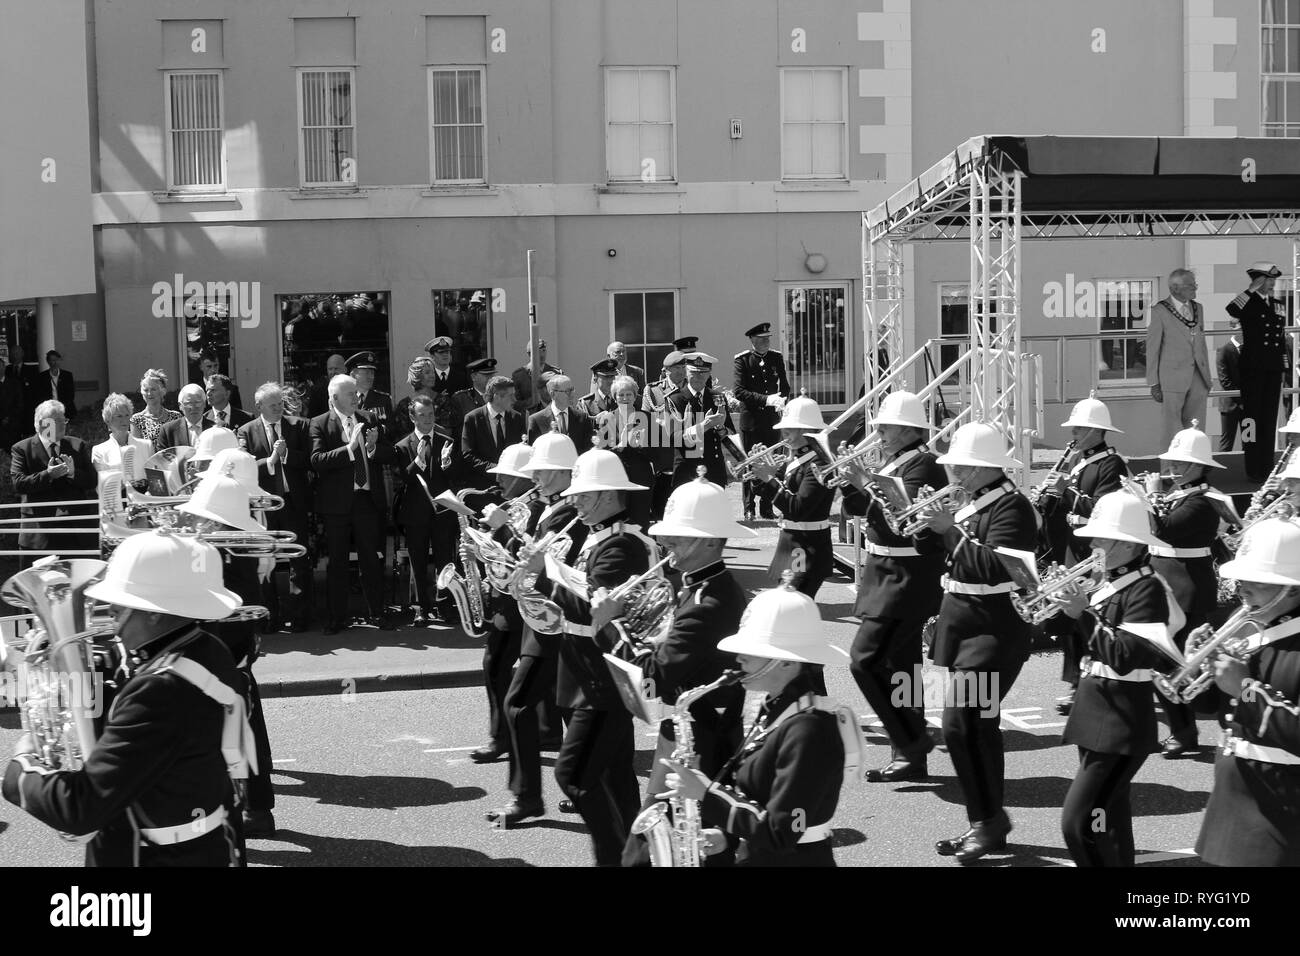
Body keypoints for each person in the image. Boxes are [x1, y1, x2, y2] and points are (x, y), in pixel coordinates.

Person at [2, 530, 252, 866]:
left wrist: (21, 769)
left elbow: (80, 808)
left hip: (151, 856)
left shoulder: (161, 691)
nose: (111, 613)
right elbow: (128, 694)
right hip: (210, 843)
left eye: (121, 605)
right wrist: (68, 665)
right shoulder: (205, 650)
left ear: (153, 612)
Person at [607, 469, 754, 865]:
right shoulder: (700, 585)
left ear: (708, 541)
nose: (665, 540)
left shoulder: (707, 603)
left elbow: (653, 680)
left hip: (699, 737)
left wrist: (611, 624)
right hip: (692, 729)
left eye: (678, 534)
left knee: (674, 848)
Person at [914, 422, 1036, 863]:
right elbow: (948, 558)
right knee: (968, 726)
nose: (956, 473)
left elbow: (995, 566)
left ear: (987, 468)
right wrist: (933, 529)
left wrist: (950, 530)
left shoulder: (1013, 507)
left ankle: (988, 822)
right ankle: (985, 822)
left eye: (963, 466)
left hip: (993, 626)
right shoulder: (972, 500)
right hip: (961, 622)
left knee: (963, 723)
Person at [661, 577, 848, 867]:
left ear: (787, 662)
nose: (739, 658)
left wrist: (707, 793)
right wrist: (729, 836)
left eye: (752, 651)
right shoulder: (775, 707)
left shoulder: (809, 730)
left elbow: (780, 833)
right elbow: (762, 798)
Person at [524, 448, 654, 866]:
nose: (574, 501)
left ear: (605, 495)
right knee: (614, 776)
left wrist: (543, 574)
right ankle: (638, 857)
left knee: (574, 775)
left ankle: (615, 858)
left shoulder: (622, 545)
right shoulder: (601, 537)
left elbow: (588, 610)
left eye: (583, 494)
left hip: (601, 675)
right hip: (584, 668)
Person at [1046, 491, 1183, 867]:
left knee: (1080, 824)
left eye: (1102, 538)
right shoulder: (1107, 581)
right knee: (1109, 819)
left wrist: (1084, 613)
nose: (1092, 544)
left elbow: (1124, 656)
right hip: (1095, 709)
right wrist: (1060, 608)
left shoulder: (1147, 588)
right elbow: (1080, 638)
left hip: (1121, 717)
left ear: (1127, 543)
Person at [839, 391, 946, 782]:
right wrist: (852, 485)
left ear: (908, 429)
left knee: (865, 660)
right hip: (882, 568)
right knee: (902, 669)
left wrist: (864, 482)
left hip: (908, 575)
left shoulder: (925, 465)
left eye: (886, 426)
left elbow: (902, 522)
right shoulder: (890, 460)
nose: (879, 432)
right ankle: (909, 756)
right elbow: (857, 511)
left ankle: (911, 739)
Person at [484, 427, 585, 825]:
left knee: (525, 704)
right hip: (540, 623)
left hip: (558, 624)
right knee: (563, 708)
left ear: (564, 473)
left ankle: (532, 795)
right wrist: (490, 541)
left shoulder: (570, 511)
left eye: (543, 471)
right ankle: (562, 789)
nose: (535, 477)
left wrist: (506, 528)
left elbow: (545, 563)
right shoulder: (547, 507)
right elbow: (523, 561)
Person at [177, 470, 280, 838]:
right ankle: (256, 809)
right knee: (247, 730)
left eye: (203, 513)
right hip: (236, 648)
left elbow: (205, 603)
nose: (197, 520)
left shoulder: (218, 547)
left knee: (228, 737)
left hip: (223, 650)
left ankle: (238, 813)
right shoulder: (234, 541)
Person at [1196, 518, 1300, 866]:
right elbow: (1214, 705)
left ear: (1293, 588)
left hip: (1282, 799)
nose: (1242, 588)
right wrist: (1202, 666)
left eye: (1257, 580)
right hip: (1233, 793)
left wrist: (1243, 688)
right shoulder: (1252, 627)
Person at [1035, 394, 1129, 715]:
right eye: (1074, 427)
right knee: (1072, 620)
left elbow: (1104, 508)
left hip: (1092, 553)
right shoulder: (1077, 460)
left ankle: (1086, 683)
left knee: (1087, 618)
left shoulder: (1111, 463)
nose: (1072, 432)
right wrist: (1047, 500)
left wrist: (1068, 494)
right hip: (1071, 550)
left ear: (1095, 431)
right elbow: (1063, 505)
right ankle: (1077, 680)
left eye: (1078, 427)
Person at [1145, 422, 1227, 759]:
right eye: (1171, 463)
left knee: (1183, 666)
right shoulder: (1183, 495)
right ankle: (1181, 731)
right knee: (1165, 664)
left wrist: (1148, 495)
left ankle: (1192, 731)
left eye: (1180, 464)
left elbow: (1164, 531)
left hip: (1186, 590)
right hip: (1167, 585)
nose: (1172, 469)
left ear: (1200, 467)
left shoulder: (1203, 500)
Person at [310, 373, 394, 634]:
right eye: (350, 393)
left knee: (371, 559)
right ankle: (337, 618)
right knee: (337, 562)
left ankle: (377, 613)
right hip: (337, 506)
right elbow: (317, 460)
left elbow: (388, 453)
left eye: (356, 392)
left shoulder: (369, 419)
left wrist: (371, 448)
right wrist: (349, 449)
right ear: (334, 398)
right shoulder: (320, 423)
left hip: (366, 501)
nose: (356, 397)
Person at [471, 442, 537, 765]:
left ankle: (501, 738)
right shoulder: (510, 505)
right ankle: (545, 733)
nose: (499, 481)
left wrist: (499, 531)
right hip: (506, 600)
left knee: (495, 665)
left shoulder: (532, 509)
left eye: (507, 476)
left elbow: (522, 556)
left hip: (517, 604)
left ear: (525, 479)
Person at [237, 383, 313, 632]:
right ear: (259, 406)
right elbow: (243, 466)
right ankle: (270, 617)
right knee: (265, 560)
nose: (279, 408)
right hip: (264, 506)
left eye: (281, 403)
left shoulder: (299, 425)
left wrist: (288, 454)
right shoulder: (246, 431)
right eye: (273, 405)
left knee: (298, 560)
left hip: (293, 501)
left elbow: (311, 459)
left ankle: (300, 617)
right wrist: (270, 460)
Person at [750, 394, 834, 598]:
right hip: (791, 542)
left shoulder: (820, 464)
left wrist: (769, 479)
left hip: (807, 544)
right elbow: (766, 491)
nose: (783, 432)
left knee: (793, 607)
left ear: (807, 430)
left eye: (790, 428)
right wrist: (759, 475)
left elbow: (798, 508)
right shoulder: (796, 459)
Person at [392, 393, 458, 626]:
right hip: (415, 513)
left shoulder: (446, 441)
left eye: (431, 415)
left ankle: (444, 604)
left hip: (442, 513)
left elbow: (454, 479)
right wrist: (419, 459)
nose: (428, 419)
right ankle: (422, 607)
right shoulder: (402, 446)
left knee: (444, 560)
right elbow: (403, 479)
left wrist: (448, 466)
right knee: (418, 561)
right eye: (422, 415)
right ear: (413, 417)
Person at [10, 399, 97, 563]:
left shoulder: (77, 445)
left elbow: (92, 481)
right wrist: (48, 475)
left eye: (64, 419)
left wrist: (73, 474)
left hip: (75, 532)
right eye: (57, 421)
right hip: (40, 534)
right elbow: (18, 484)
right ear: (42, 424)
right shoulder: (22, 449)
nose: (64, 423)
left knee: (77, 584)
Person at [1227, 261, 1290, 482]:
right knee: (1250, 421)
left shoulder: (1278, 304)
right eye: (1268, 280)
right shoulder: (1247, 302)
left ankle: (1267, 468)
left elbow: (1280, 338)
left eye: (1273, 280)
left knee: (1268, 419)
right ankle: (1252, 465)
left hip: (1272, 369)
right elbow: (1231, 310)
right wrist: (1251, 290)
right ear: (1258, 280)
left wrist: (1284, 366)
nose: (1272, 284)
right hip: (1252, 370)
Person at [1146, 268, 1212, 448]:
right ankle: (1169, 471)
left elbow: (1201, 343)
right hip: (1171, 379)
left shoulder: (1198, 308)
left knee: (1196, 429)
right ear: (1175, 288)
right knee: (1172, 431)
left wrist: (1207, 377)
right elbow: (1152, 349)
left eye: (1195, 284)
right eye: (1191, 285)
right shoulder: (1159, 311)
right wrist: (1153, 382)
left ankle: (1194, 471)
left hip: (1198, 377)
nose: (1195, 288)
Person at [733, 322, 792, 521]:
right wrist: (766, 400)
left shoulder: (776, 358)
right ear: (752, 340)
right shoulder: (743, 360)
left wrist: (782, 400)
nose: (766, 342)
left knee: (771, 464)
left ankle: (767, 507)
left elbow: (784, 386)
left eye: (768, 339)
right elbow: (739, 391)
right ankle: (749, 507)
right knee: (751, 464)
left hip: (771, 420)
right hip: (751, 421)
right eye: (761, 339)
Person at [668, 353, 737, 488]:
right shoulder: (675, 399)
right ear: (686, 372)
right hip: (687, 470)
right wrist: (703, 426)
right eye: (694, 372)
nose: (698, 376)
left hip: (714, 468)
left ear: (709, 373)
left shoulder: (718, 397)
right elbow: (674, 437)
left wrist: (721, 428)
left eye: (703, 372)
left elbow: (730, 433)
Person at [596, 374, 655, 527]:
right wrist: (620, 447)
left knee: (640, 520)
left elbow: (658, 449)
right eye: (620, 395)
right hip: (616, 478)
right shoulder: (608, 419)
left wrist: (641, 445)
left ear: (635, 396)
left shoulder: (647, 418)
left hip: (641, 476)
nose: (624, 398)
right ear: (615, 397)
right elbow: (601, 450)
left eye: (629, 394)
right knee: (617, 521)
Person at [642, 350, 687, 521]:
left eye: (683, 367)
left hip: (687, 450)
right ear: (666, 370)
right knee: (662, 501)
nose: (681, 371)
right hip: (664, 453)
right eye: (677, 368)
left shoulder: (691, 388)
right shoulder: (654, 391)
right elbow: (645, 419)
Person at [461, 375, 525, 490]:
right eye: (510, 396)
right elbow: (468, 455)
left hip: (512, 488)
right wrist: (496, 470)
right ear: (496, 397)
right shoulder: (472, 419)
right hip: (484, 488)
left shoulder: (517, 418)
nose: (514, 399)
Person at [91, 392, 153, 491]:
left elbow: (153, 478)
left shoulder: (146, 445)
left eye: (127, 415)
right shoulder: (99, 451)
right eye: (119, 416)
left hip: (143, 500)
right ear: (108, 420)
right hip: (116, 501)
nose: (124, 420)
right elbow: (100, 486)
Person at [528, 372, 593, 450]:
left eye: (572, 390)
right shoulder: (537, 420)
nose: (572, 395)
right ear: (553, 394)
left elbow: (588, 449)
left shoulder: (583, 418)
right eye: (567, 391)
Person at [512, 338, 563, 415]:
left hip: (552, 419)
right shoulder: (519, 375)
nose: (542, 355)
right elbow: (514, 404)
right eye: (538, 352)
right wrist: (532, 401)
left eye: (544, 350)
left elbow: (563, 398)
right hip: (528, 419)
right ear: (529, 354)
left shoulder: (556, 373)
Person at [130, 369, 180, 446]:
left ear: (162, 391)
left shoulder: (176, 417)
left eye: (153, 389)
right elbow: (137, 450)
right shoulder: (136, 420)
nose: (149, 393)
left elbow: (181, 445)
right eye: (146, 390)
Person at [348, 350, 394, 432]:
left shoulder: (383, 399)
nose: (371, 377)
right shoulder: (346, 399)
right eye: (366, 373)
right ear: (353, 375)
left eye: (372, 373)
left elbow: (391, 429)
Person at [155, 383, 211, 451]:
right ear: (180, 406)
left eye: (197, 402)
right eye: (188, 403)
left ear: (204, 404)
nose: (193, 407)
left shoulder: (215, 428)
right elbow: (162, 460)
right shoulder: (168, 431)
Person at [1216, 318, 1244, 452]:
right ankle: (1221, 472)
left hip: (1248, 407)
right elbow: (1225, 381)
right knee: (1227, 443)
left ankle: (1250, 472)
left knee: (1250, 442)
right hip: (1230, 406)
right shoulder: (1223, 350)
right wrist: (1242, 399)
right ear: (1233, 329)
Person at [307, 353, 348, 421]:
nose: (333, 372)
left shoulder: (353, 389)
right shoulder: (318, 391)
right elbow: (312, 419)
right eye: (330, 369)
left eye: (336, 368)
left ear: (345, 369)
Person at [0, 357, 26, 451]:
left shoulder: (14, 383)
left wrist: (8, 417)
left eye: (0, 366)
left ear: (4, 368)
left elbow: (19, 403)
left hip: (13, 426)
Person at [42, 349, 77, 419]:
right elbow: (41, 395)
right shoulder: (42, 377)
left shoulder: (67, 375)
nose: (55, 362)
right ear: (48, 362)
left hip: (65, 410)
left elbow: (70, 394)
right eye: (52, 360)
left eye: (57, 360)